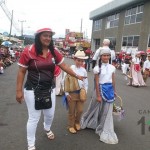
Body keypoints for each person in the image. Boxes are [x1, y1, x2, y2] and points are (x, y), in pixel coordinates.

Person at [16, 27, 85, 150]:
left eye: (49, 36)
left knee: (49, 114)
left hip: (49, 88)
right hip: (32, 89)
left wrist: (76, 75)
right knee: (34, 117)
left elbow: (63, 65)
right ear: (39, 37)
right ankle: (31, 144)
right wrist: (18, 91)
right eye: (45, 35)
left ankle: (47, 128)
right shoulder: (28, 51)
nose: (48, 38)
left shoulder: (54, 51)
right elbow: (21, 71)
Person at [81, 48, 118, 144]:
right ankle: (89, 120)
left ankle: (103, 125)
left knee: (106, 110)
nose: (106, 57)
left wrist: (114, 91)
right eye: (104, 55)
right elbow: (97, 83)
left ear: (110, 56)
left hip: (109, 91)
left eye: (107, 55)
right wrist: (98, 95)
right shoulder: (97, 68)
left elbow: (113, 80)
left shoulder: (112, 67)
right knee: (94, 107)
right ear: (100, 57)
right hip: (100, 89)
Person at [63, 50, 88, 134]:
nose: (80, 62)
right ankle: (71, 125)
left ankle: (77, 122)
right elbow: (64, 82)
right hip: (71, 93)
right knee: (71, 111)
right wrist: (66, 94)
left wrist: (85, 91)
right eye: (79, 60)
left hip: (81, 93)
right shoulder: (70, 69)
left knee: (80, 110)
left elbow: (86, 83)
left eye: (82, 61)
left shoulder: (84, 70)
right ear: (75, 59)